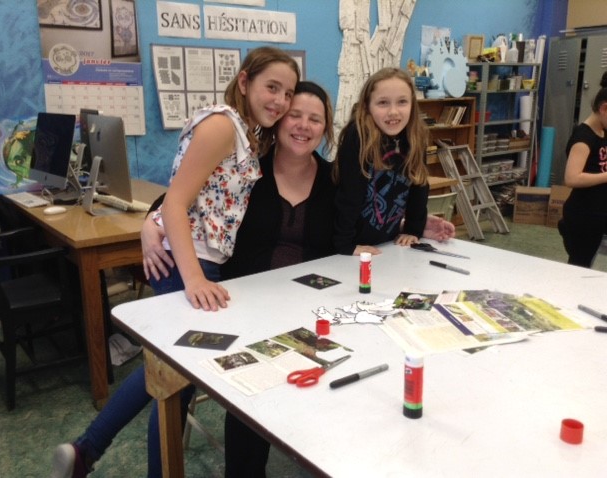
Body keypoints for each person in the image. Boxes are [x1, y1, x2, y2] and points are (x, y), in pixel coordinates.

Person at [141, 81, 455, 478]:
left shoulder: (332, 179)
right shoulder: (247, 167)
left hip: (305, 308)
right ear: (279, 120)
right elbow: (182, 196)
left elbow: (363, 221)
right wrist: (149, 222)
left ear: (325, 129)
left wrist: (416, 225)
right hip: (242, 304)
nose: (304, 126)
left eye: (315, 119)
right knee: (245, 387)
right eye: (295, 116)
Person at [50, 46, 300, 478]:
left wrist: (155, 226)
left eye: (288, 93)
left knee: (169, 374)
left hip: (200, 260)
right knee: (174, 379)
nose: (280, 100)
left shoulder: (247, 131)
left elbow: (190, 194)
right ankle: (89, 450)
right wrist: (194, 277)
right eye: (272, 87)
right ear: (244, 82)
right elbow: (177, 202)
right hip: (190, 262)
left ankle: (85, 451)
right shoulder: (222, 125)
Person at [333, 67, 430, 256]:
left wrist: (413, 229)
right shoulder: (358, 136)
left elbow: (420, 187)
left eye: (402, 102)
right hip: (352, 244)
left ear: (412, 104)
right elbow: (348, 194)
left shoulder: (416, 137)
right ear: (367, 106)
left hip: (388, 244)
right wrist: (344, 244)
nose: (393, 112)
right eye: (383, 103)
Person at [558, 72, 607, 268]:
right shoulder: (583, 137)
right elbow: (572, 178)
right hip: (584, 216)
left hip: (600, 212)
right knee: (579, 268)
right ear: (604, 108)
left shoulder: (603, 130)